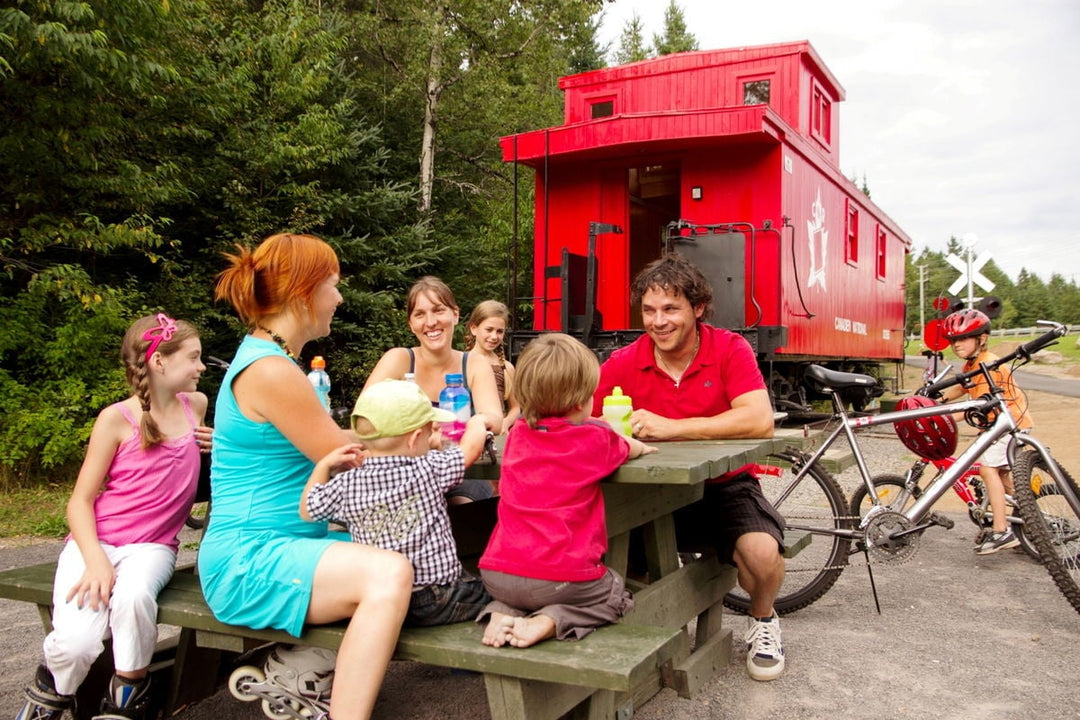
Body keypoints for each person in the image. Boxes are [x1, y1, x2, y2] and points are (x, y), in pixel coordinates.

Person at [198, 233, 413, 720]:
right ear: (303, 292)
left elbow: (333, 439)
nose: (339, 298)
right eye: (333, 286)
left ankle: (304, 669)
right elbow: (346, 451)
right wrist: (426, 433)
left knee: (401, 543)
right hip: (247, 560)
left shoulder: (274, 361)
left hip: (278, 543)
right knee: (390, 573)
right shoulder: (271, 370)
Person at [591, 253, 786, 682]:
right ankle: (638, 643)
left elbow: (759, 419)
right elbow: (580, 415)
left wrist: (672, 428)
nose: (658, 321)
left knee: (762, 554)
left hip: (723, 486)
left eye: (670, 309)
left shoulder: (729, 347)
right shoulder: (625, 360)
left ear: (698, 308)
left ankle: (764, 620)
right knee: (616, 559)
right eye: (648, 310)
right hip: (650, 495)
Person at [17, 313, 212, 720]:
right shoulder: (115, 419)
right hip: (97, 544)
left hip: (152, 547)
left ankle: (126, 698)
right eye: (194, 357)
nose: (201, 367)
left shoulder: (196, 405)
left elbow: (200, 469)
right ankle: (51, 694)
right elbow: (79, 501)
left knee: (134, 596)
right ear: (160, 361)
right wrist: (97, 561)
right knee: (76, 644)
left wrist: (221, 444)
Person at [477, 333, 657, 649]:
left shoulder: (518, 434)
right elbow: (627, 447)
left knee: (526, 590)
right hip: (560, 579)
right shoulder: (595, 438)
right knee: (616, 592)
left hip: (497, 576)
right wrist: (640, 446)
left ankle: (501, 611)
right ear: (580, 402)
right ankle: (549, 622)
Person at [301, 380, 491, 626]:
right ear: (414, 439)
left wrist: (324, 465)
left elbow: (307, 510)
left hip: (382, 601)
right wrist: (477, 423)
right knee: (499, 595)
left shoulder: (347, 482)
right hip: (437, 598)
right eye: (429, 431)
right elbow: (470, 450)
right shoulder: (428, 468)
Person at [364, 276, 503, 502]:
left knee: (463, 506)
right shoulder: (398, 360)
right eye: (420, 314)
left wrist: (471, 424)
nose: (430, 322)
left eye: (438, 310)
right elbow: (365, 418)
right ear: (411, 324)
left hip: (461, 471)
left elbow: (494, 419)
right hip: (404, 471)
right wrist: (427, 436)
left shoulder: (474, 363)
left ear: (455, 315)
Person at [939, 307, 1032, 555]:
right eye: (953, 340)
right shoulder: (972, 363)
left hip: (1009, 423)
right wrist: (940, 399)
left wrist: (944, 419)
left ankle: (1002, 531)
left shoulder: (988, 363)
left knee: (987, 468)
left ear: (981, 339)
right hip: (1002, 425)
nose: (956, 344)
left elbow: (979, 405)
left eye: (963, 338)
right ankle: (1033, 518)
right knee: (1001, 477)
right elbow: (962, 387)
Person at [464, 300, 521, 433]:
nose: (494, 336)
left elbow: (516, 407)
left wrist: (505, 422)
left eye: (500, 331)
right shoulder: (461, 362)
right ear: (474, 329)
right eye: (489, 330)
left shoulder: (506, 367)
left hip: (497, 435)